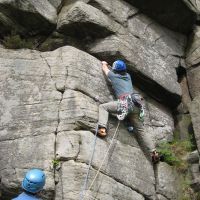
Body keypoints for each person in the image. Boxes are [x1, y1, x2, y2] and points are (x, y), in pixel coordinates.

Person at [98, 60, 160, 163]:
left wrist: (104, 63)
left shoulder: (113, 76)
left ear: (115, 70)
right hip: (136, 106)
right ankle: (154, 152)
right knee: (141, 130)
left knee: (103, 107)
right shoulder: (128, 76)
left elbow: (105, 69)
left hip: (124, 104)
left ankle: (102, 129)